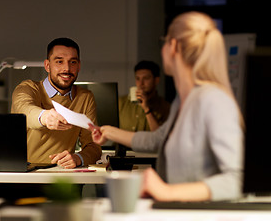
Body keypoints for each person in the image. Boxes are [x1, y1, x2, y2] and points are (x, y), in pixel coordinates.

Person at [90, 12, 244, 202]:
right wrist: (109, 132)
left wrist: (167, 192)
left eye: (164, 42)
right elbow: (158, 139)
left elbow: (237, 179)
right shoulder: (183, 100)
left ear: (173, 46)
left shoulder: (213, 100)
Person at [11, 37, 102, 168]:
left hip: (62, 176)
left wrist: (78, 158)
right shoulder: (27, 88)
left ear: (79, 66)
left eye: (73, 62)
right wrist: (45, 117)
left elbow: (93, 145)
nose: (67, 68)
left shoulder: (85, 97)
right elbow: (24, 109)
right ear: (47, 65)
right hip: (24, 175)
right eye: (59, 61)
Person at [119, 60, 170, 131]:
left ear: (156, 80)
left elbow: (160, 137)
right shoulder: (121, 102)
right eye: (137, 78)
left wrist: (146, 109)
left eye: (146, 78)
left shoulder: (165, 107)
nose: (141, 83)